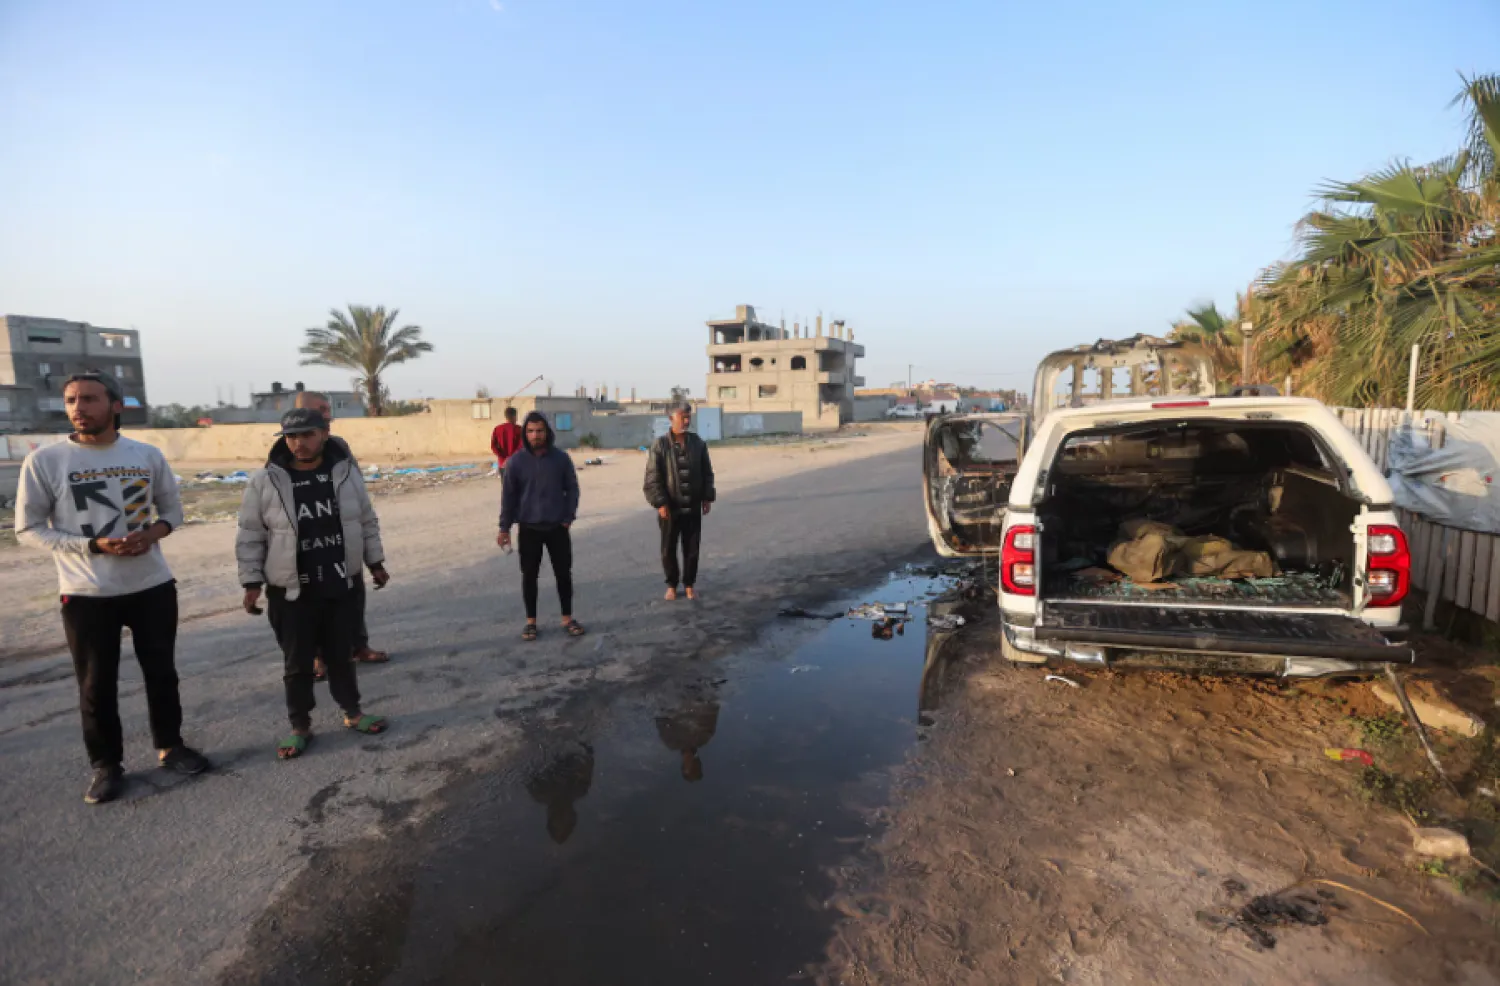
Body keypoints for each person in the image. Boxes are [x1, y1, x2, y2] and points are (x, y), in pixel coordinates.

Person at [15, 372, 210, 804]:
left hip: (152, 585)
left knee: (161, 672)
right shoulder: (45, 461)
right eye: (70, 400)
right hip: (87, 592)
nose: (78, 408)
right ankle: (106, 766)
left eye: (88, 398)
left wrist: (153, 534)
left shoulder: (145, 454)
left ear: (115, 405)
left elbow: (173, 511)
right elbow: (27, 529)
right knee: (95, 683)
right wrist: (91, 545)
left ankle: (170, 746)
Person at [236, 408, 390, 759]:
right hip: (291, 591)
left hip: (338, 584)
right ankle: (300, 726)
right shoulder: (266, 481)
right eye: (291, 437)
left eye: (306, 435)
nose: (298, 443)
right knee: (298, 663)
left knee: (341, 656)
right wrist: (251, 583)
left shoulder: (345, 472)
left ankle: (353, 713)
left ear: (324, 433)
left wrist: (375, 562)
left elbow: (365, 519)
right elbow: (250, 535)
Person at [294, 390, 389, 674]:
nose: (328, 415)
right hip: (309, 548)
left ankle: (359, 645)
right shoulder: (285, 457)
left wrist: (374, 559)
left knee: (353, 594)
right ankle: (318, 657)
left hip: (345, 541)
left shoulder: (339, 448)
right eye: (322, 410)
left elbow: (359, 498)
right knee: (313, 604)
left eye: (328, 409)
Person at [497, 412, 586, 641]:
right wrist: (504, 528)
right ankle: (531, 622)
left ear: (547, 432)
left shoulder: (561, 459)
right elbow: (508, 497)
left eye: (539, 431)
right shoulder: (515, 462)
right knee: (529, 576)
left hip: (557, 527)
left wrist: (568, 517)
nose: (535, 435)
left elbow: (572, 489)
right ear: (525, 433)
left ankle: (567, 618)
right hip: (529, 528)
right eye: (530, 431)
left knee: (563, 574)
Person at [643, 402, 716, 601]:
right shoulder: (660, 445)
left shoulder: (697, 443)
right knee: (668, 549)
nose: (686, 421)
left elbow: (707, 472)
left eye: (688, 417)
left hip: (692, 506)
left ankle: (690, 584)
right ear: (671, 419)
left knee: (692, 548)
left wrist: (707, 496)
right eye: (682, 417)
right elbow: (652, 477)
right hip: (670, 508)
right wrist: (660, 503)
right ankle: (672, 584)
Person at [490, 406, 524, 478]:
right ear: (515, 416)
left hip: (503, 464)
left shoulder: (497, 429)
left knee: (505, 487)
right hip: (516, 463)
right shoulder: (520, 430)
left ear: (506, 416)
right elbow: (521, 446)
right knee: (518, 487)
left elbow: (493, 446)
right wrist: (510, 458)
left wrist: (503, 458)